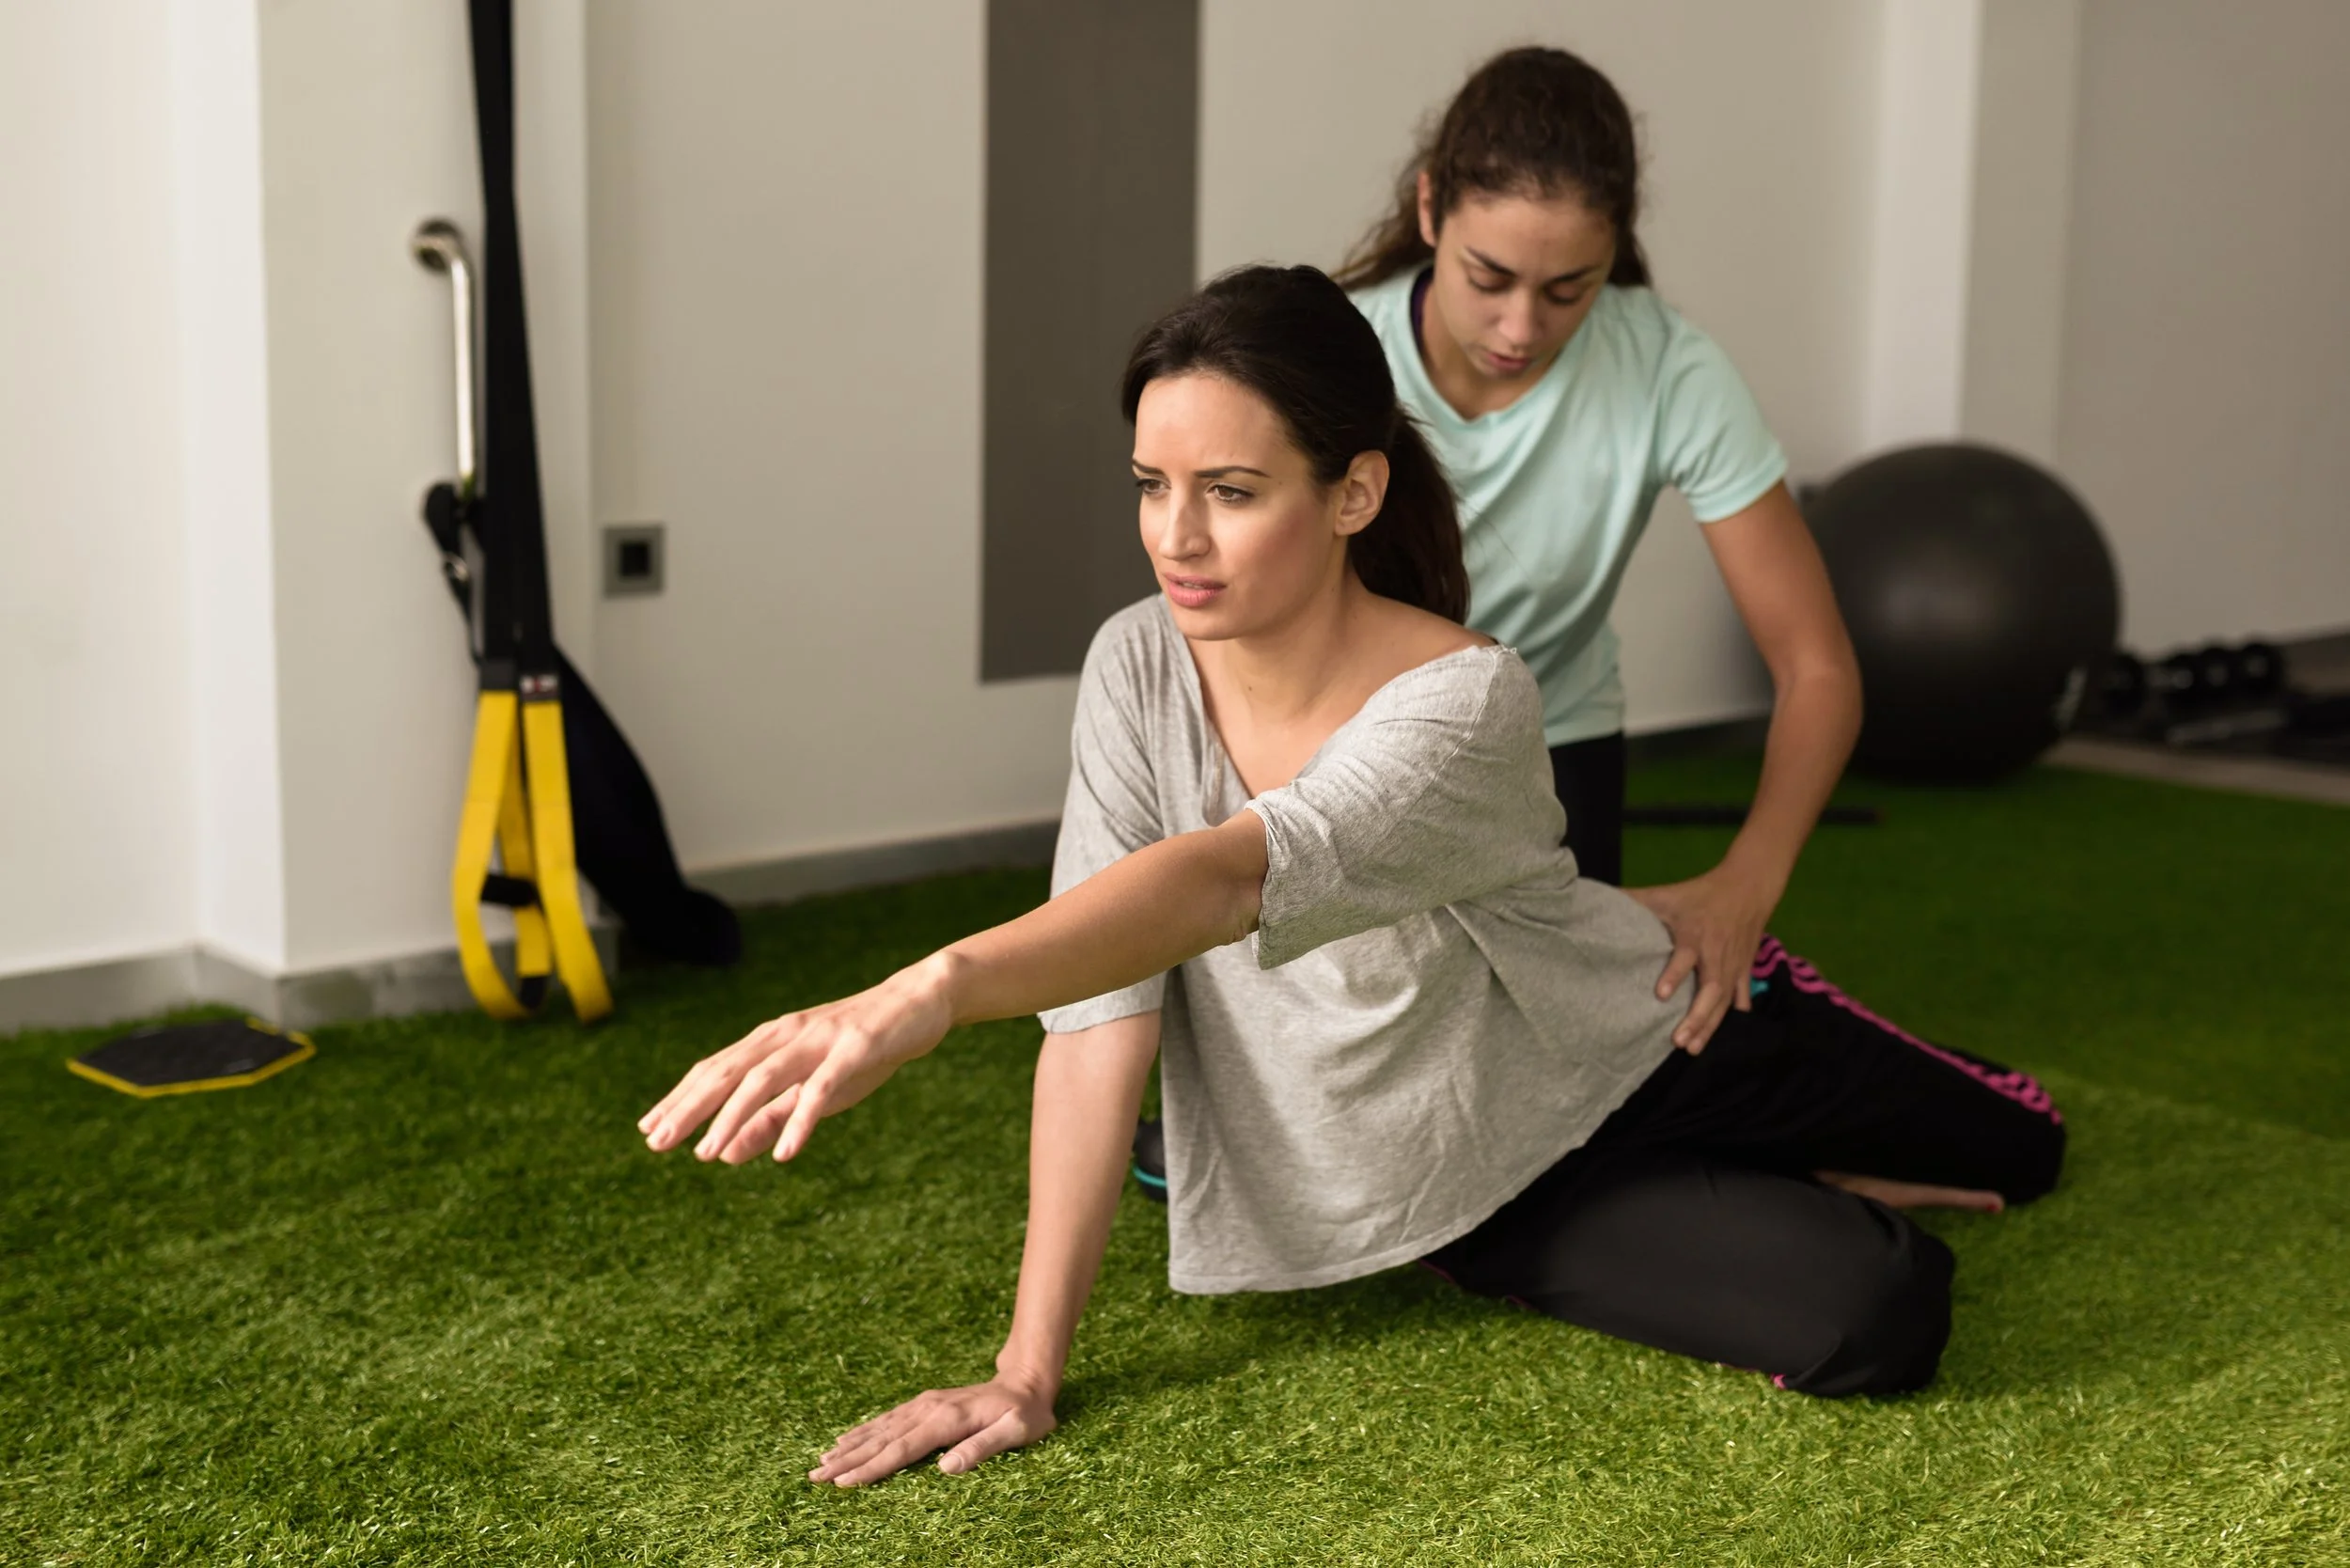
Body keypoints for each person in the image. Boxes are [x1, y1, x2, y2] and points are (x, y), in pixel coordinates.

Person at [638, 267, 2063, 1488]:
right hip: (1466, 1163)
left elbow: (1218, 883)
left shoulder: (1467, 698)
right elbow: (1104, 1011)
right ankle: (1603, 1206)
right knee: (1875, 1312)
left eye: (1232, 493)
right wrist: (1026, 1373)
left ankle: (1780, 1129)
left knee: (2026, 1146)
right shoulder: (1138, 663)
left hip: (1642, 1039)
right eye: (1153, 486)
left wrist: (933, 988)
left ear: (1352, 492)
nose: (1175, 538)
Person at [1340, 45, 1863, 1055]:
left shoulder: (1665, 365)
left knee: (1581, 1061)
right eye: (1487, 278)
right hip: (1348, 744)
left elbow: (1817, 666)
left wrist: (1743, 883)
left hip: (1553, 741)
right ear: (1428, 210)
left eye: (1567, 290)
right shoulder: (1335, 358)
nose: (1520, 326)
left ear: (1613, 253)